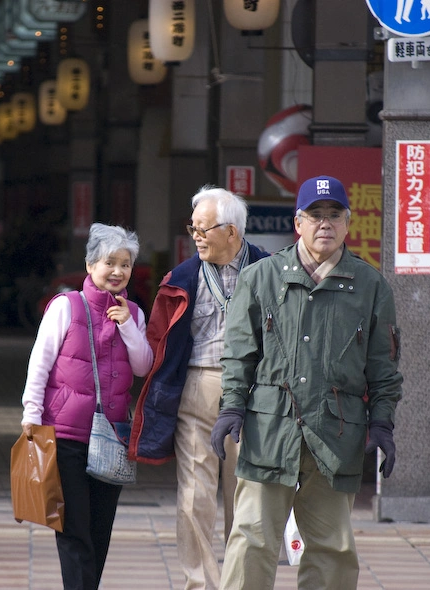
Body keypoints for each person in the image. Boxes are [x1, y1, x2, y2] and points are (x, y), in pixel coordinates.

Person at [211, 175, 403, 590]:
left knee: (332, 548)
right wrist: (231, 406)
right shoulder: (261, 278)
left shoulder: (370, 286)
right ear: (297, 223)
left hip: (336, 432)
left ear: (348, 223)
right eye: (315, 216)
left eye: (334, 215)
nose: (325, 225)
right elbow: (239, 353)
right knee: (251, 539)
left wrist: (383, 422)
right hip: (269, 429)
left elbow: (383, 367)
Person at [129, 186, 269, 590]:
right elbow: (158, 341)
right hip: (198, 386)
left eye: (204, 229)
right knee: (195, 497)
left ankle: (240, 583)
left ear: (232, 231)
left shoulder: (269, 269)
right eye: (193, 228)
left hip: (254, 393)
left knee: (245, 497)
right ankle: (200, 584)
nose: (197, 236)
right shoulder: (182, 278)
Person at [21, 223, 153, 590]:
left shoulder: (135, 314)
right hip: (64, 436)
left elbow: (143, 366)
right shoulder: (65, 306)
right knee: (73, 530)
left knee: (98, 532)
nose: (118, 271)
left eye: (125, 264)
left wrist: (127, 326)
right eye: (110, 262)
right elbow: (40, 363)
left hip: (111, 439)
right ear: (91, 264)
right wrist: (31, 418)